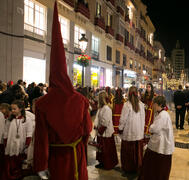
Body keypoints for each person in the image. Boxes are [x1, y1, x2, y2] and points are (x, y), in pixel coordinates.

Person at [33, 3, 92, 180]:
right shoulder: (81, 100)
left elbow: (41, 140)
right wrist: (80, 145)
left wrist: (41, 166)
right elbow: (87, 129)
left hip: (56, 160)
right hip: (76, 155)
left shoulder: (42, 104)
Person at [138, 96, 174, 180]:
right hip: (160, 143)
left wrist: (151, 127)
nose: (153, 106)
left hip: (161, 145)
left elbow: (154, 128)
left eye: (154, 104)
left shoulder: (163, 115)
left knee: (156, 167)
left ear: (159, 105)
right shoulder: (162, 114)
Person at [2, 100, 33, 180]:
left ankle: (18, 176)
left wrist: (27, 144)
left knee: (19, 162)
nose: (12, 111)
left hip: (21, 144)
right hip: (10, 143)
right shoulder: (9, 120)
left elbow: (29, 133)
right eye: (11, 109)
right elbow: (6, 131)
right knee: (11, 162)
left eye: (14, 109)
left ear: (20, 109)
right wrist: (5, 141)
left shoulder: (26, 120)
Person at [119, 86, 145, 174]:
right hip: (138, 133)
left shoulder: (127, 105)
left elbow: (123, 119)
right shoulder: (141, 104)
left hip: (129, 133)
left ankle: (128, 169)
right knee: (137, 153)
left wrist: (120, 128)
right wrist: (142, 131)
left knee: (128, 153)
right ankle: (137, 167)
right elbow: (143, 119)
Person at [95, 91, 118, 170]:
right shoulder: (101, 108)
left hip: (105, 132)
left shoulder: (107, 108)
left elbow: (105, 121)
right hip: (101, 131)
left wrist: (100, 130)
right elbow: (97, 118)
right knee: (101, 149)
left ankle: (108, 164)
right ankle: (101, 162)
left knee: (106, 150)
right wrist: (96, 126)